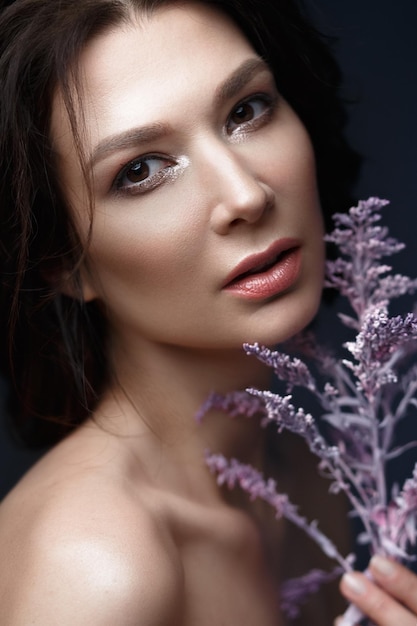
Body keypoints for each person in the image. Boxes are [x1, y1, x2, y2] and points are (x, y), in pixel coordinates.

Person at [0, 0, 416, 624]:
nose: (246, 195)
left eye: (246, 110)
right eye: (141, 171)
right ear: (64, 263)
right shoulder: (94, 567)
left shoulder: (295, 470)